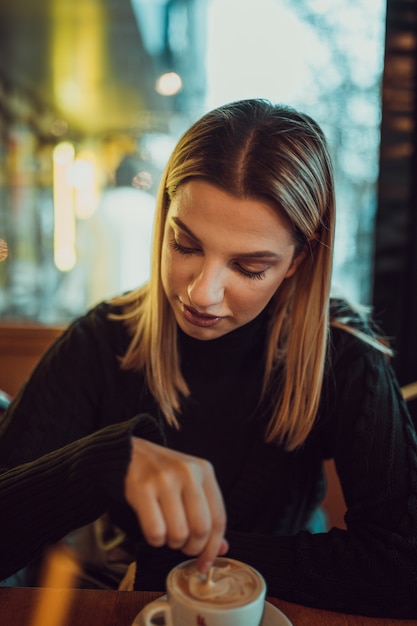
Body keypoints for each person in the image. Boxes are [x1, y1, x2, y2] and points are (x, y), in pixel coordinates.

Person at [0, 99, 416, 618]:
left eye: (248, 267)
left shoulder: (345, 359)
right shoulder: (102, 341)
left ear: (297, 261)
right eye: (185, 245)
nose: (202, 294)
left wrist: (179, 566)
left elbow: (404, 565)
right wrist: (99, 464)